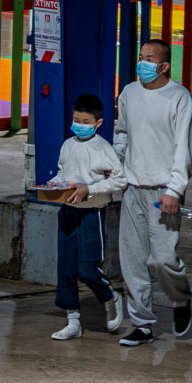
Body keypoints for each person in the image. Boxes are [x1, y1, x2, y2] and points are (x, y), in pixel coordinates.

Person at [113, 39, 192, 346]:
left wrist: (175, 189)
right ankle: (142, 324)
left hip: (163, 191)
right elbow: (122, 132)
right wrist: (116, 164)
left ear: (164, 66)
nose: (142, 63)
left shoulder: (180, 99)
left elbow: (183, 150)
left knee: (162, 259)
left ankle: (181, 296)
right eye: (140, 57)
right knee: (132, 260)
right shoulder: (129, 94)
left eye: (150, 59)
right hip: (133, 187)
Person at [47, 93, 127, 341]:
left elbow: (120, 179)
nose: (79, 124)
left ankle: (110, 297)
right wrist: (53, 184)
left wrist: (90, 189)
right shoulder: (68, 144)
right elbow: (63, 172)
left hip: (91, 213)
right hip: (68, 211)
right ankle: (73, 321)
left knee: (87, 268)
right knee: (66, 268)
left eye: (85, 121)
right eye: (76, 119)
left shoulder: (103, 148)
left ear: (98, 123)